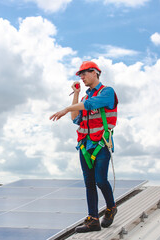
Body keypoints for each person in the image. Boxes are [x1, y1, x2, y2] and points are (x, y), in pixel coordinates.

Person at [50, 61, 118, 233]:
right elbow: (75, 119)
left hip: (101, 143)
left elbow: (88, 106)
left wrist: (65, 108)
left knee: (101, 180)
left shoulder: (107, 92)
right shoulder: (84, 98)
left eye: (84, 73)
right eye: (80, 75)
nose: (81, 77)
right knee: (89, 183)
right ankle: (93, 220)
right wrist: (76, 94)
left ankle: (111, 207)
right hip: (84, 145)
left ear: (95, 72)